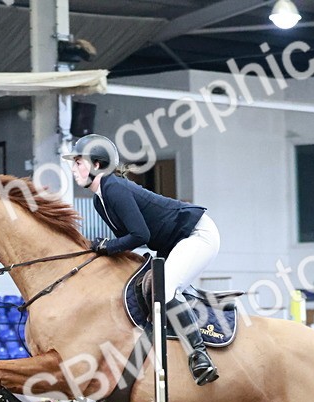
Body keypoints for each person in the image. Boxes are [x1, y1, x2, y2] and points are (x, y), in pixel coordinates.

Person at [62, 134, 220, 385]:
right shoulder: (99, 201)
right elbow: (126, 241)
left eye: (78, 162)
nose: (73, 169)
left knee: (165, 288)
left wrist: (105, 246)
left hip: (197, 235)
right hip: (171, 244)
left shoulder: (114, 188)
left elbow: (139, 235)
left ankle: (199, 356)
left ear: (98, 165)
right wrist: (103, 250)